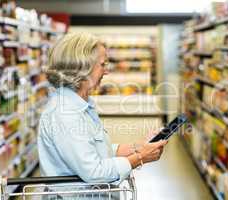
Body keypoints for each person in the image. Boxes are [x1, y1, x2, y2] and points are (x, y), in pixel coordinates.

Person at [37, 32, 167, 198]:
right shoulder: (64, 113)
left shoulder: (82, 105)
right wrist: (140, 157)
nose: (107, 71)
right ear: (82, 67)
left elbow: (96, 151)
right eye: (102, 64)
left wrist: (138, 146)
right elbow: (94, 172)